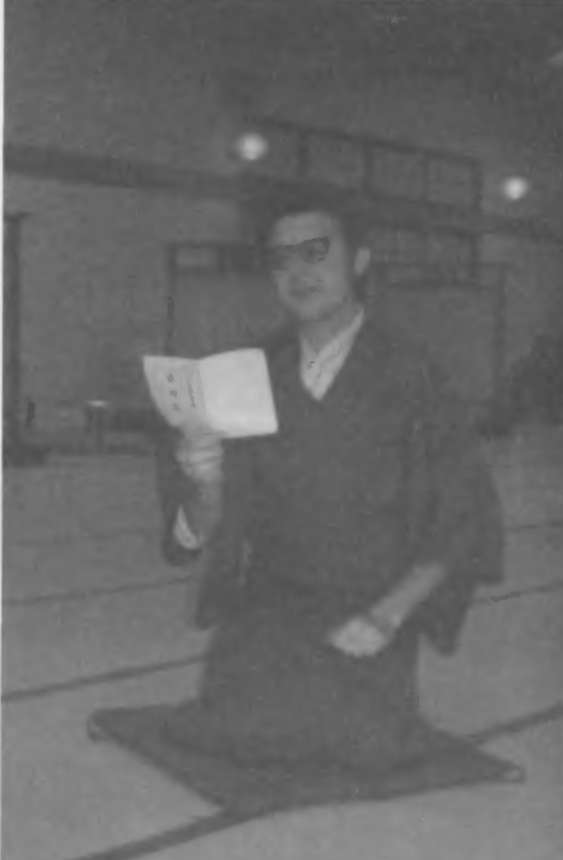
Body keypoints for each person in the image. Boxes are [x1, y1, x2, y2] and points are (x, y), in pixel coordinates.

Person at [155, 189, 504, 773]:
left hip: (367, 604)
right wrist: (205, 478)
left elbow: (464, 516)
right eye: (281, 259)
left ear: (359, 260)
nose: (298, 273)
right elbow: (207, 527)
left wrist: (387, 616)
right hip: (270, 604)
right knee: (235, 735)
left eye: (315, 252)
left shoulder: (414, 375)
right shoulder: (248, 373)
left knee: (358, 749)